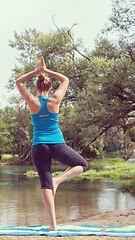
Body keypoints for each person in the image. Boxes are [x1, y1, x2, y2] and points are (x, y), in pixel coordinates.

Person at [16, 57, 88, 231]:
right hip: (57, 144)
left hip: (39, 146)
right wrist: (47, 71)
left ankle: (54, 225)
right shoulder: (55, 100)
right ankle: (58, 181)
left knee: (45, 185)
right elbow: (65, 80)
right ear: (49, 87)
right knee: (83, 165)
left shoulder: (32, 101)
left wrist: (36, 71)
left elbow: (18, 81)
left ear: (36, 87)